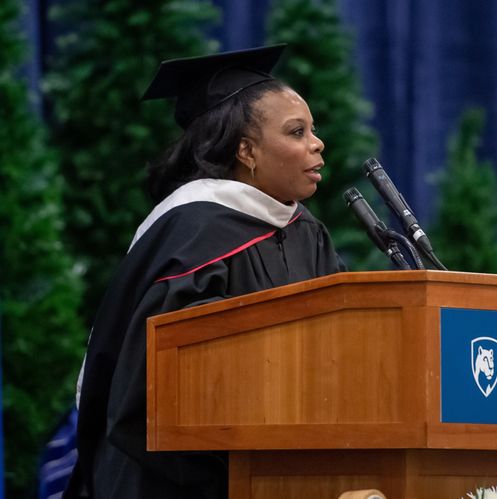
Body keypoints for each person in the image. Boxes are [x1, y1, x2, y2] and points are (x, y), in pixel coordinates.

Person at [63, 44, 344, 499]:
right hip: (174, 481)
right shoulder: (192, 233)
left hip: (277, 473)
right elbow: (161, 385)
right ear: (246, 151)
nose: (317, 143)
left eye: (313, 130)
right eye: (297, 132)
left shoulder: (306, 232)